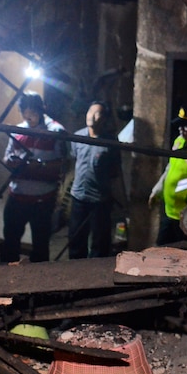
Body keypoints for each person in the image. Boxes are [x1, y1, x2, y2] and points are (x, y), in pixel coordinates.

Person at [0, 92, 66, 263]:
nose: (29, 119)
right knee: (10, 241)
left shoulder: (56, 132)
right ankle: (6, 279)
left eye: (33, 114)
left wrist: (42, 166)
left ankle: (38, 283)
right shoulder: (18, 130)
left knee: (41, 244)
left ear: (41, 110)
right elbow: (6, 157)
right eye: (25, 115)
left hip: (42, 200)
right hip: (17, 196)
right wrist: (11, 162)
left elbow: (63, 164)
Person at [148, 103, 187, 246]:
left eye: (186, 126)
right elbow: (170, 167)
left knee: (183, 253)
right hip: (169, 212)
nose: (181, 129)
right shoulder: (179, 141)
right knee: (161, 250)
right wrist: (157, 190)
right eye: (180, 125)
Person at [67, 101, 121, 259]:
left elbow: (114, 171)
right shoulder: (77, 137)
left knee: (100, 243)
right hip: (78, 197)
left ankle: (95, 275)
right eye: (90, 111)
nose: (92, 116)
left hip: (100, 201)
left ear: (103, 118)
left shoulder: (110, 142)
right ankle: (76, 272)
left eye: (97, 113)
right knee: (76, 239)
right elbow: (74, 158)